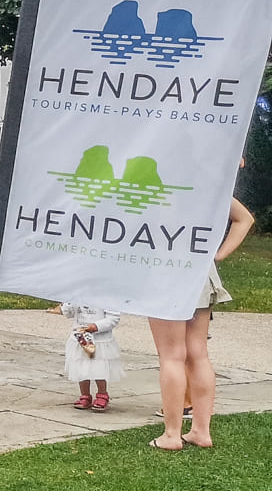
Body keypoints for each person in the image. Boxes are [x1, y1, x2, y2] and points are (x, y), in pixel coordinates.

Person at [148, 193, 253, 451]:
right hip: (199, 270)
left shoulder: (157, 187)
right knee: (198, 354)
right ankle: (200, 431)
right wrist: (217, 256)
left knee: (171, 356)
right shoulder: (206, 185)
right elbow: (244, 219)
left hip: (165, 270)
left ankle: (172, 434)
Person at [62, 303, 123, 412]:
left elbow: (113, 318)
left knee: (99, 367)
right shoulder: (78, 294)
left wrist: (96, 326)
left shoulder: (106, 297)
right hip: (80, 337)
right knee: (80, 366)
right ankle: (85, 394)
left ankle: (102, 393)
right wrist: (68, 302)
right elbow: (68, 313)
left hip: (100, 340)